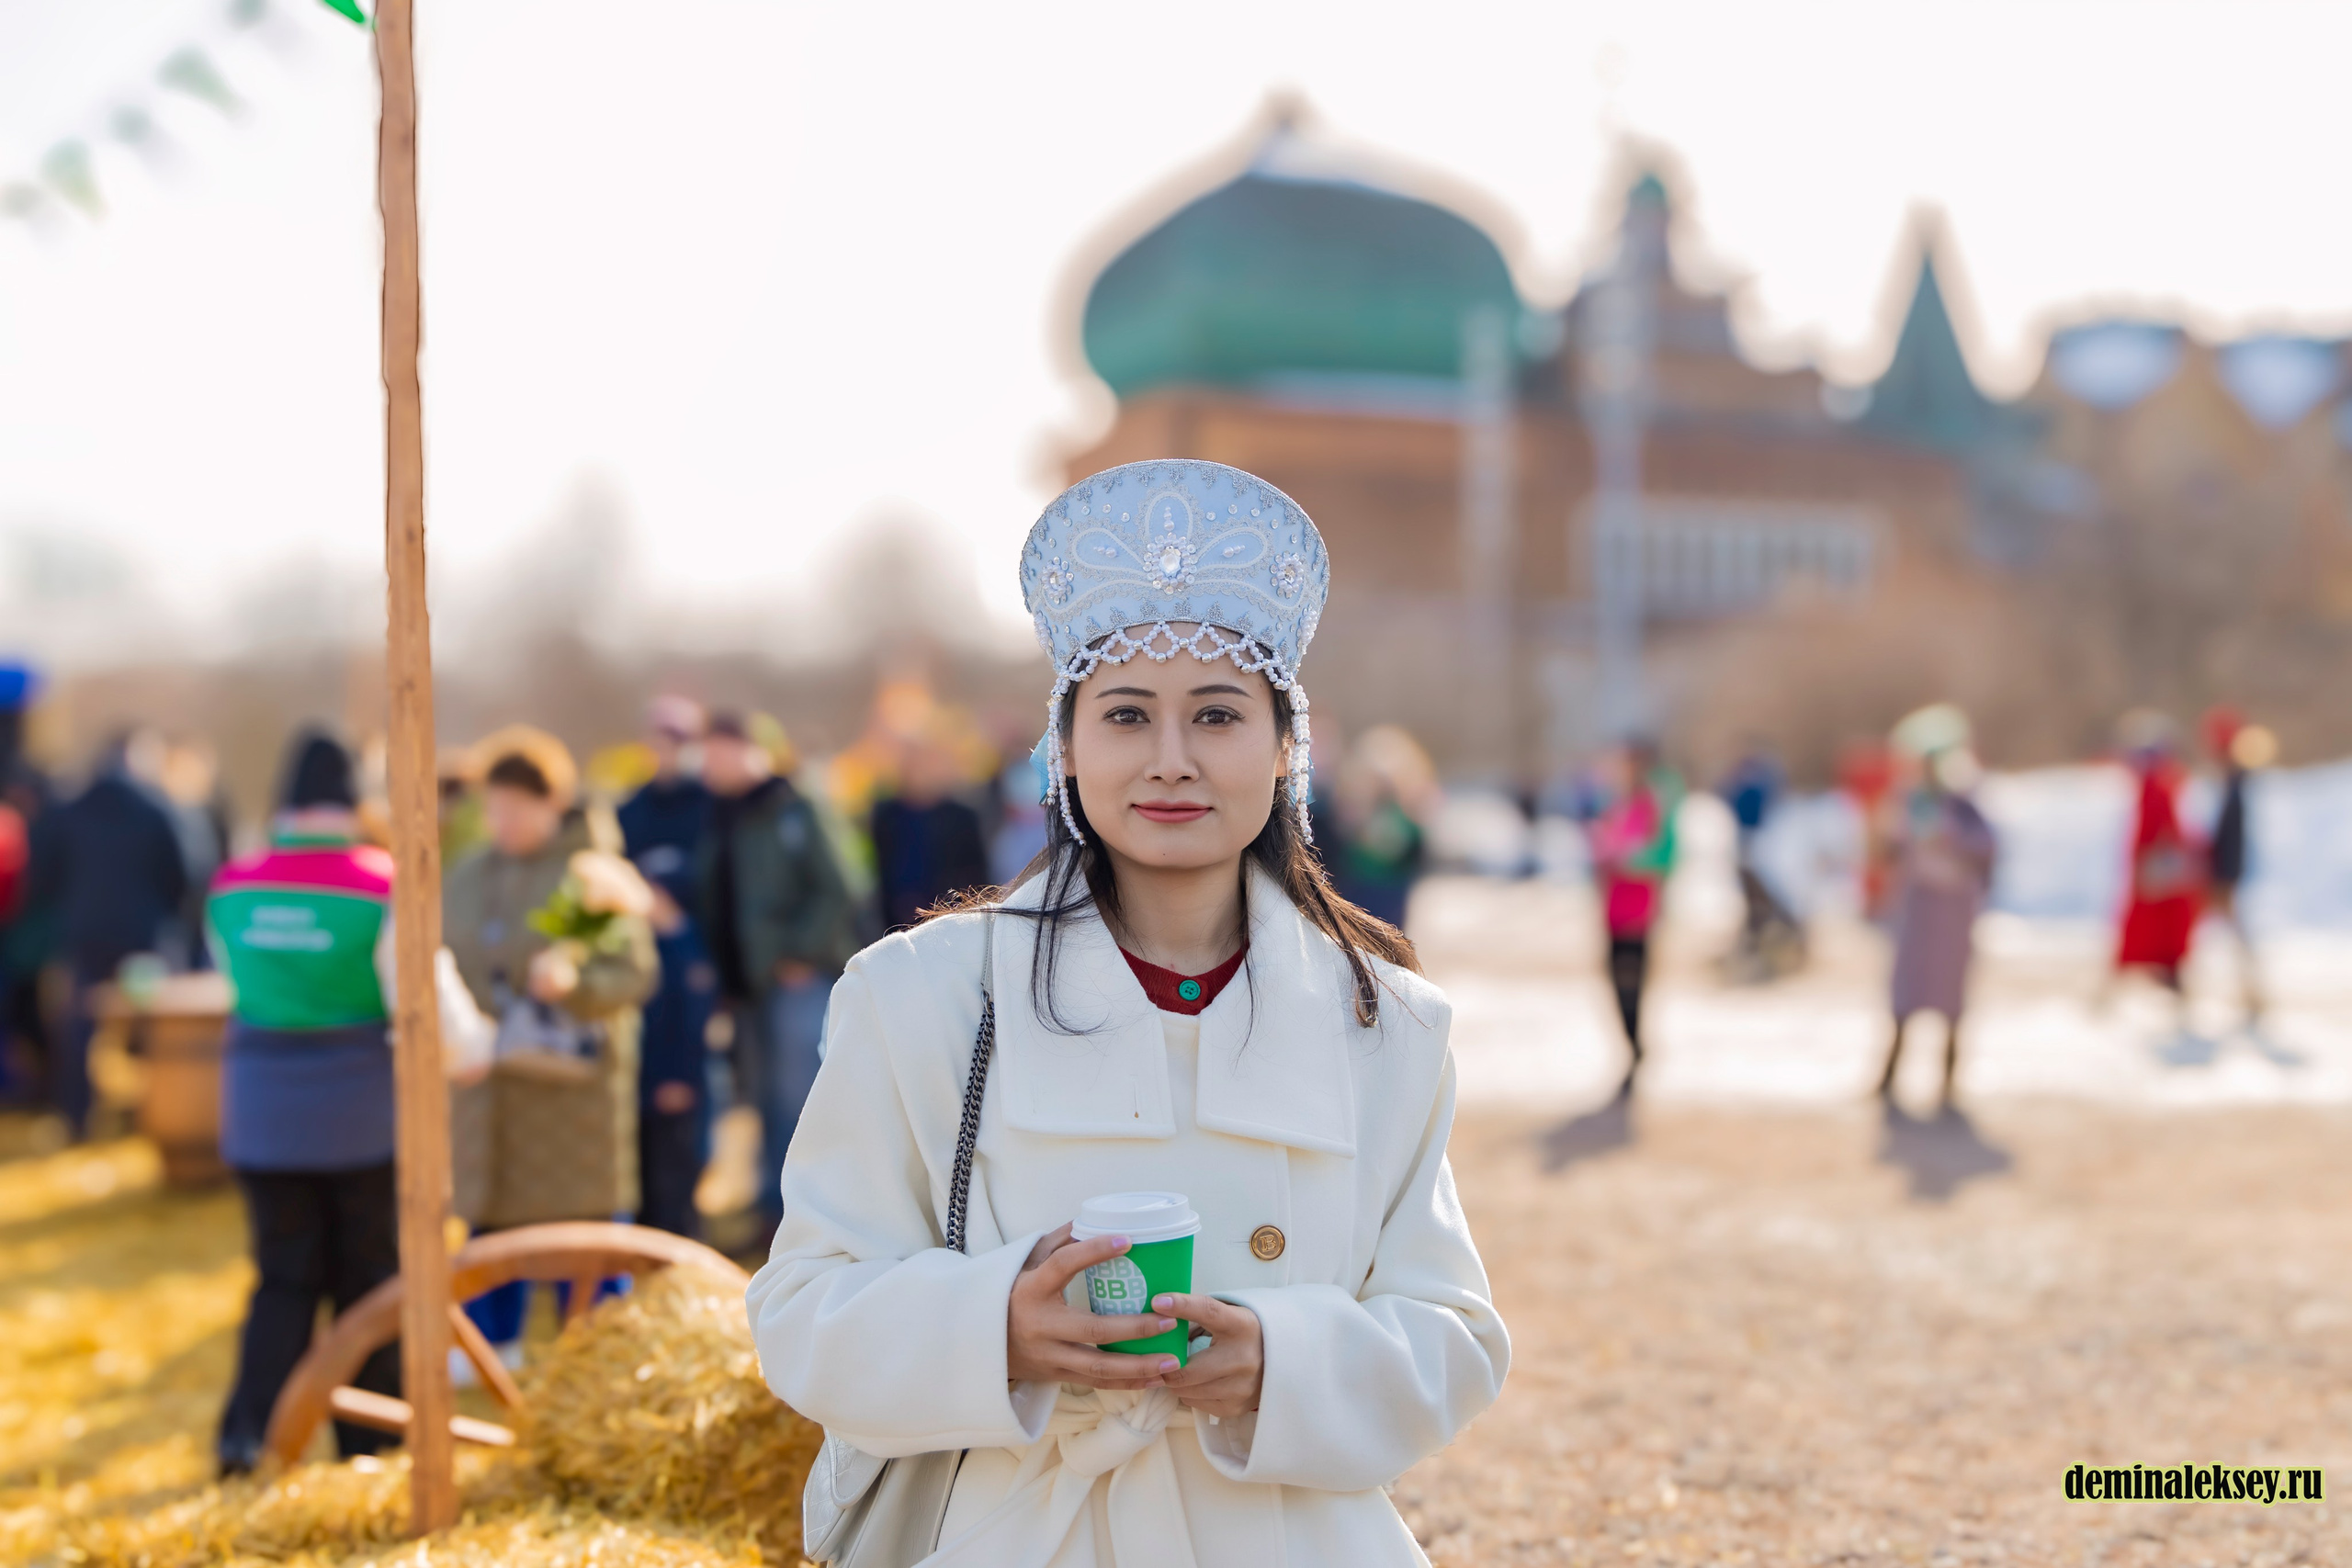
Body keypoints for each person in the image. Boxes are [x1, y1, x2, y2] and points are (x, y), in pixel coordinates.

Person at [748, 460, 1508, 1567]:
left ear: (1287, 746)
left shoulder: (1384, 1023)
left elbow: (1454, 1339)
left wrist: (1280, 1363)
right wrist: (996, 1327)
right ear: (1063, 749)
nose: (1170, 760)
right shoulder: (921, 995)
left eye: (1216, 715)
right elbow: (800, 1312)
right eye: (1124, 715)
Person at [204, 731, 419, 1474]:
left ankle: (249, 1437)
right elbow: (406, 995)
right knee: (369, 1280)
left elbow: (224, 973)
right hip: (359, 1111)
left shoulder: (232, 883)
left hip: (263, 1110)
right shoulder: (384, 882)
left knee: (281, 1277)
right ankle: (375, 1443)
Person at [444, 726, 657, 1349]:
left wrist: (574, 978)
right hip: (489, 1085)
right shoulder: (467, 873)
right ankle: (490, 1344)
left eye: (516, 807)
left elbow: (635, 971)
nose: (501, 820)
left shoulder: (594, 874)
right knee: (494, 1227)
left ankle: (596, 1347)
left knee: (582, 1233)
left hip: (573, 1098)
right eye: (494, 806)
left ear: (553, 802)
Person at [695, 711, 856, 1239]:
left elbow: (841, 887)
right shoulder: (721, 814)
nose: (714, 764)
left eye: (725, 750)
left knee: (798, 1097)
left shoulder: (796, 810)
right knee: (762, 1100)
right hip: (748, 984)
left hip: (795, 980)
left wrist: (797, 953)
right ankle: (773, 1210)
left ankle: (809, 1212)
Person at [28, 729, 188, 1137]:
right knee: (150, 1028)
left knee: (80, 1029)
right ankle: (153, 1115)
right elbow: (185, 873)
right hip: (144, 935)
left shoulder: (70, 809)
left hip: (84, 934)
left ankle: (77, 1119)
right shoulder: (158, 808)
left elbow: (43, 875)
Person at [616, 697, 718, 1239]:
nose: (668, 751)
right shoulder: (630, 810)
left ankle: (685, 1219)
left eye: (679, 739)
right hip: (641, 963)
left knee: (690, 1097)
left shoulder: (710, 807)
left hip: (697, 963)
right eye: (661, 739)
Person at [1872, 705, 1996, 1109]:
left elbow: (1987, 848)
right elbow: (1886, 850)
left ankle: (1947, 1078)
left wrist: (1950, 838)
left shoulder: (1962, 803)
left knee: (1949, 996)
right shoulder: (1908, 801)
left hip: (1952, 909)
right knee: (1906, 992)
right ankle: (1889, 1074)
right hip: (1917, 906)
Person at [1584, 738, 1681, 1096]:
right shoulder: (1618, 802)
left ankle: (1636, 1051)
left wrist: (1627, 858)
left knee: (1631, 982)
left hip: (1637, 905)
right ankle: (1632, 1048)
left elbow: (1667, 854)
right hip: (1614, 903)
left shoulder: (1653, 802)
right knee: (1614, 980)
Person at [2113, 710, 2202, 1008]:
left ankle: (2166, 973)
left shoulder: (2158, 783)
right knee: (2154, 926)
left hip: (2158, 867)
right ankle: (2164, 972)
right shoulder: (2160, 782)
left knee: (2158, 926)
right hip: (2157, 865)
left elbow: (2162, 827)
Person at [869, 728, 992, 932]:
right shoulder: (887, 815)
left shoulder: (961, 817)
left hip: (949, 925)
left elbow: (976, 877)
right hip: (895, 925)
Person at [2202, 708, 2271, 1029]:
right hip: (2225, 871)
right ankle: (2250, 992)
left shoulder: (2236, 784)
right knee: (2234, 934)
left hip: (2225, 874)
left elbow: (2230, 836)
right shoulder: (2235, 782)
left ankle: (2253, 992)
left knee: (2236, 935)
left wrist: (2221, 873)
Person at [1717, 740, 1805, 978]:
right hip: (1749, 854)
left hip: (1762, 853)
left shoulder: (1760, 785)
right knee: (1756, 911)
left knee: (1765, 910)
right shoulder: (1743, 784)